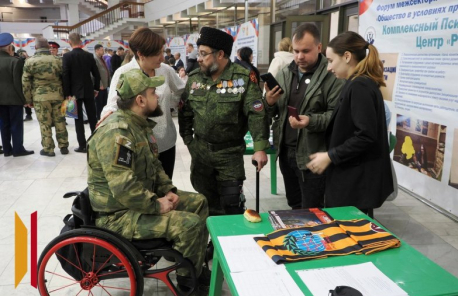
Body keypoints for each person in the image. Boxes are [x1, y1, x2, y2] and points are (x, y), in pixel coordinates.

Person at [88, 69, 209, 296]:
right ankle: (187, 284)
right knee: (190, 224)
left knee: (199, 202)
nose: (158, 97)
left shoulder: (138, 125)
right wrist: (157, 205)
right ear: (140, 100)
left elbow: (154, 167)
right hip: (119, 216)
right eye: (154, 92)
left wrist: (168, 191)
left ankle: (190, 266)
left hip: (137, 203)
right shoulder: (117, 133)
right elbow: (124, 188)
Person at [178, 27, 269, 216]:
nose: (199, 58)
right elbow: (185, 112)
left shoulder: (243, 78)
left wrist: (260, 148)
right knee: (205, 204)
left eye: (203, 54)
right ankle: (211, 244)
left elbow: (256, 113)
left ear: (220, 54)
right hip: (201, 154)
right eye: (199, 53)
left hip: (229, 154)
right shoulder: (194, 78)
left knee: (231, 205)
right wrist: (189, 141)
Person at [306, 31, 393, 218]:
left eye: (330, 60)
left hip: (355, 181)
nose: (328, 68)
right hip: (352, 177)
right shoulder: (355, 83)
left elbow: (366, 135)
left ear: (347, 56)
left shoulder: (359, 86)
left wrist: (330, 156)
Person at [264, 23, 344, 209]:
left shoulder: (332, 76)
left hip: (313, 154)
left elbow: (336, 116)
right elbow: (276, 112)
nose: (300, 56)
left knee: (312, 209)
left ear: (319, 47)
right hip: (285, 152)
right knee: (294, 204)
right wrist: (269, 102)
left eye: (306, 51)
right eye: (296, 50)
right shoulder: (285, 73)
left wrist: (311, 121)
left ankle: (316, 237)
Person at [100, 27, 185, 180]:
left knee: (166, 186)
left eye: (163, 52)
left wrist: (168, 106)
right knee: (144, 191)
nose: (162, 57)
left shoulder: (165, 70)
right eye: (157, 53)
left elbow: (180, 90)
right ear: (140, 54)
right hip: (138, 144)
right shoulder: (124, 73)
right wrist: (107, 117)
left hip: (165, 141)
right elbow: (113, 103)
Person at [22, 37, 69, 157]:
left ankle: (48, 149)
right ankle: (64, 146)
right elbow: (65, 78)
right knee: (60, 120)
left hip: (40, 97)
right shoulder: (58, 60)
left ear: (36, 47)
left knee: (44, 122)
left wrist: (28, 99)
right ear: (48, 47)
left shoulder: (30, 61)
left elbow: (26, 82)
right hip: (58, 95)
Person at [62, 33, 100, 153]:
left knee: (78, 120)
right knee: (93, 118)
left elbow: (65, 76)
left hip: (73, 93)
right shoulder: (89, 55)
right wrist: (96, 88)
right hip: (89, 90)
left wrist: (66, 93)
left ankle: (82, 145)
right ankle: (96, 144)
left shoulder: (67, 56)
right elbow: (96, 74)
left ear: (69, 42)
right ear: (81, 42)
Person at [0, 32, 34, 157]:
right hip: (14, 99)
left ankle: (7, 150)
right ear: (9, 48)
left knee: (3, 125)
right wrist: (24, 100)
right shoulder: (15, 62)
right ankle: (18, 149)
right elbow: (18, 83)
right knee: (16, 124)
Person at [93, 44, 111, 120]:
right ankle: (99, 118)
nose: (103, 51)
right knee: (99, 104)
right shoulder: (95, 59)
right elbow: (95, 73)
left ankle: (103, 117)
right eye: (101, 50)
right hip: (100, 86)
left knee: (104, 103)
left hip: (105, 85)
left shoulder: (101, 58)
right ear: (97, 50)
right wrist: (99, 84)